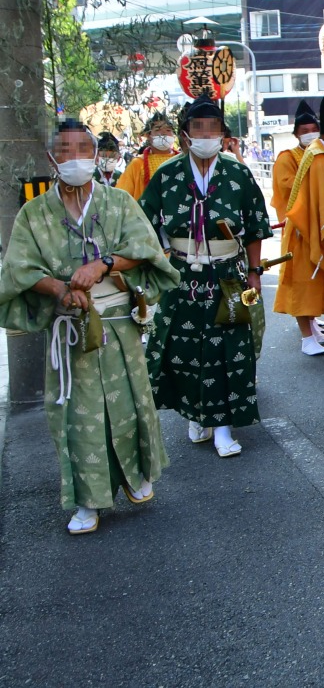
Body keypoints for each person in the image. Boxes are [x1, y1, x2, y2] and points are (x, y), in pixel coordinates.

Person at [0, 119, 179, 535]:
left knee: (129, 403)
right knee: (77, 415)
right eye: (65, 150)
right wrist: (60, 289)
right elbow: (20, 269)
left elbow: (145, 250)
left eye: (83, 148)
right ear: (51, 157)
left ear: (96, 156)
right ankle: (87, 500)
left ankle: (137, 478)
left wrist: (105, 263)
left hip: (117, 321)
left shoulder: (117, 202)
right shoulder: (33, 213)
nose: (75, 157)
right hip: (69, 328)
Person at [140, 99, 273, 458]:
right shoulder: (167, 175)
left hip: (228, 272)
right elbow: (143, 225)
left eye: (212, 129)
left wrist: (256, 273)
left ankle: (224, 426)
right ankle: (196, 413)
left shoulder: (238, 174)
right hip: (180, 271)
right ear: (185, 135)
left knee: (227, 346)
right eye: (198, 128)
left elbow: (257, 225)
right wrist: (154, 269)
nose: (205, 135)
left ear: (223, 134)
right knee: (180, 349)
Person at [273, 96, 324, 357]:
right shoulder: (291, 157)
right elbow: (289, 188)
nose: (309, 134)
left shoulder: (323, 153)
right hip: (302, 227)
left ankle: (312, 325)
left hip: (316, 226)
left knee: (316, 281)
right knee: (302, 282)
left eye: (312, 129)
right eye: (304, 131)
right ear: (295, 135)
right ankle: (306, 336)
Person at [115, 112, 178, 200]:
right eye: (158, 130)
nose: (164, 133)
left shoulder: (182, 161)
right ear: (148, 135)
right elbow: (121, 197)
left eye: (168, 130)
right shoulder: (137, 164)